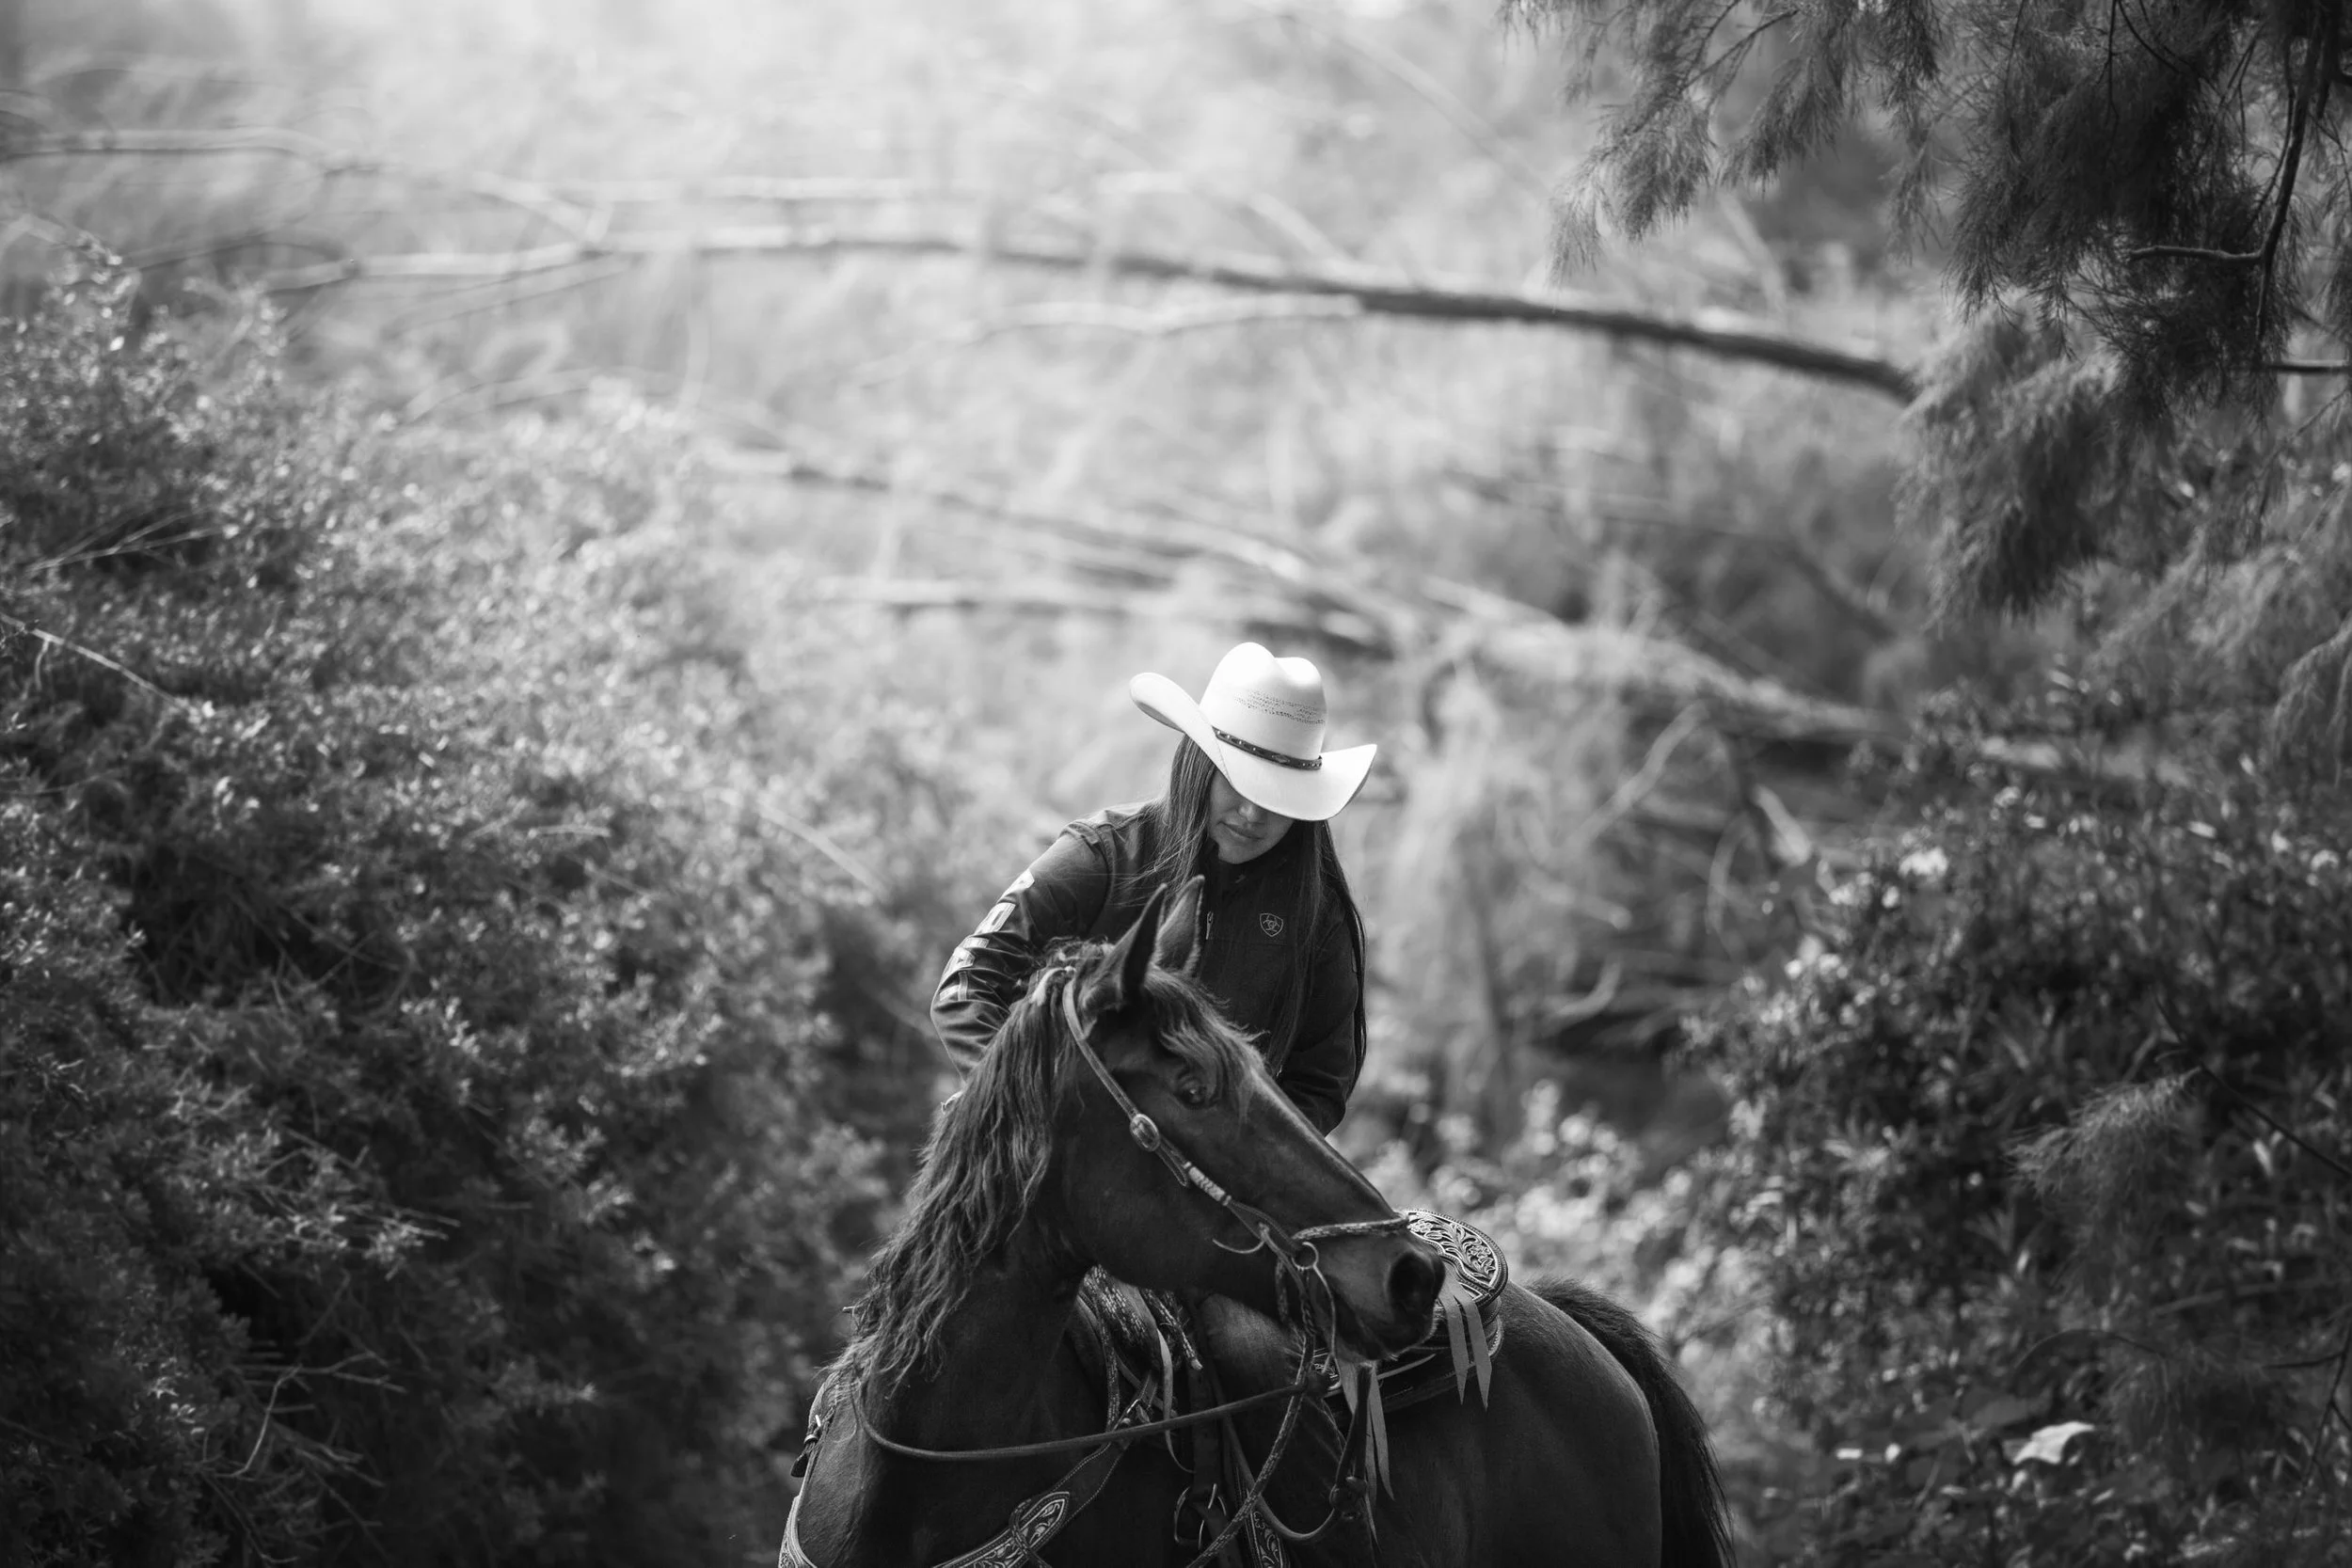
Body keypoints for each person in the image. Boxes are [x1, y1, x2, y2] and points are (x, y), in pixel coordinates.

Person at [931, 641, 1376, 1133]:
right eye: (1238, 783)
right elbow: (969, 980)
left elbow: (1320, 1082)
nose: (1254, 815)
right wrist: (1023, 1106)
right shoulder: (1103, 855)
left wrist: (1233, 1152)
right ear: (1198, 764)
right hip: (1054, 1140)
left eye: (1278, 796)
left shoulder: (1316, 912)